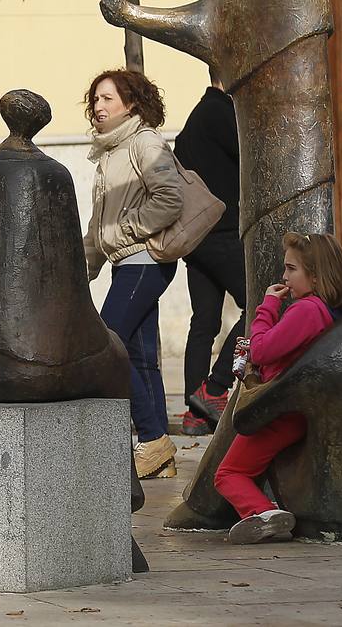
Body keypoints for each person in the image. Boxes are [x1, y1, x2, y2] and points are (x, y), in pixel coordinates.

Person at [214, 232, 342, 544]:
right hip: (305, 409)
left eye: (291, 269)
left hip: (280, 412)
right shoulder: (334, 311)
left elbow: (263, 349)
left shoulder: (306, 310)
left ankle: (265, 514)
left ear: (316, 277)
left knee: (228, 474)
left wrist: (266, 307)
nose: (284, 277)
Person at [83, 69, 184, 480]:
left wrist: (125, 230)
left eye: (107, 98)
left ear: (131, 103)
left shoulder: (144, 142)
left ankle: (152, 437)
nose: (98, 107)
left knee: (109, 346)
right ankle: (161, 456)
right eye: (94, 99)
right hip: (128, 262)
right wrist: (83, 271)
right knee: (140, 358)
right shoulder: (109, 152)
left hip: (146, 260)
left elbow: (170, 199)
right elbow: (97, 224)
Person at [173, 71, 245, 435]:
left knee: (203, 322)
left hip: (197, 239)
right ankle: (217, 387)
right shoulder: (221, 112)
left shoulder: (196, 117)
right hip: (223, 233)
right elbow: (254, 154)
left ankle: (195, 413)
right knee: (263, 306)